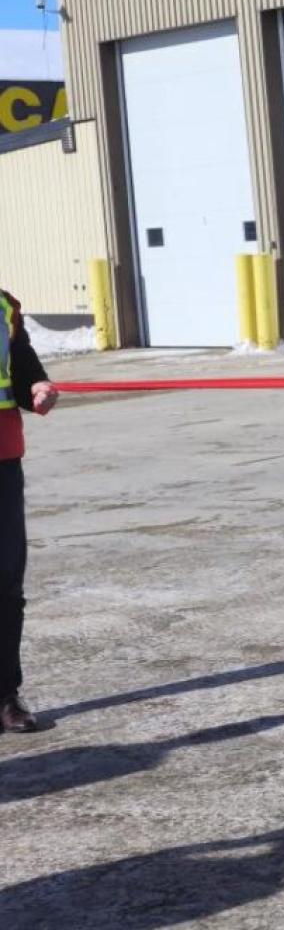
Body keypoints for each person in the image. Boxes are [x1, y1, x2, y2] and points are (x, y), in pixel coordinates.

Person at [3, 289, 59, 733]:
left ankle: (6, 696)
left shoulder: (3, 306)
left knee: (6, 582)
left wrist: (37, 387)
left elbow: (21, 369)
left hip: (3, 457)